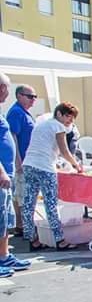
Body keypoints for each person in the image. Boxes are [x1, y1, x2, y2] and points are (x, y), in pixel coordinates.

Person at [22, 102, 83, 251]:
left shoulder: (41, 125)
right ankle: (60, 240)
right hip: (45, 167)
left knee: (29, 204)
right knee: (51, 205)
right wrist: (76, 165)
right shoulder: (58, 126)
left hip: (29, 164)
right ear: (59, 114)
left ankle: (32, 239)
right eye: (68, 116)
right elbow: (64, 151)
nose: (70, 120)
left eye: (72, 118)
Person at [0, 72, 31, 276]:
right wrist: (2, 172)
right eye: (7, 87)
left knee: (4, 218)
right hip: (2, 175)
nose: (7, 92)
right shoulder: (15, 112)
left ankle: (3, 256)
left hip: (6, 175)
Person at [7, 84, 37, 236]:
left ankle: (21, 225)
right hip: (23, 161)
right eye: (30, 96)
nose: (33, 99)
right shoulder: (16, 112)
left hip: (27, 160)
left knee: (21, 194)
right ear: (19, 96)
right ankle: (22, 225)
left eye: (35, 97)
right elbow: (12, 137)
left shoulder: (24, 112)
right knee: (22, 194)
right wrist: (18, 161)